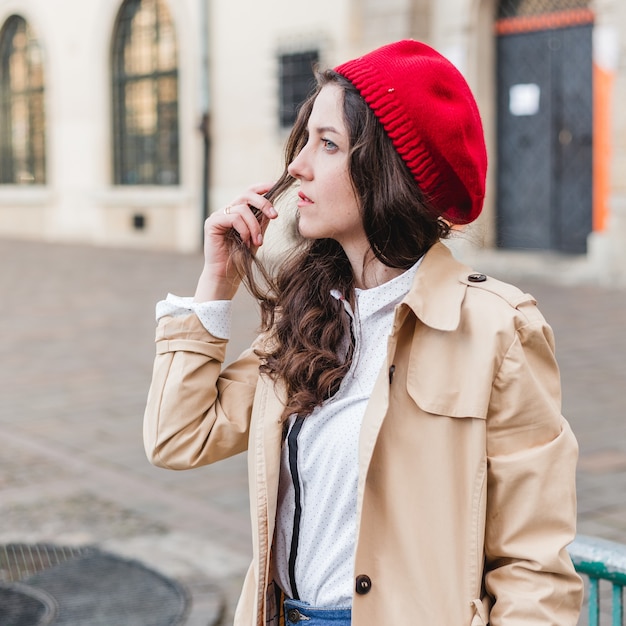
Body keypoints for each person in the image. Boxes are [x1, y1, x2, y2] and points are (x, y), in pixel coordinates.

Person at [143, 40, 583, 625]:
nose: (297, 164)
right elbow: (178, 437)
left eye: (327, 144)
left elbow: (534, 569)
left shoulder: (497, 330)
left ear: (388, 170)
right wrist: (216, 281)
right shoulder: (307, 318)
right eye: (305, 140)